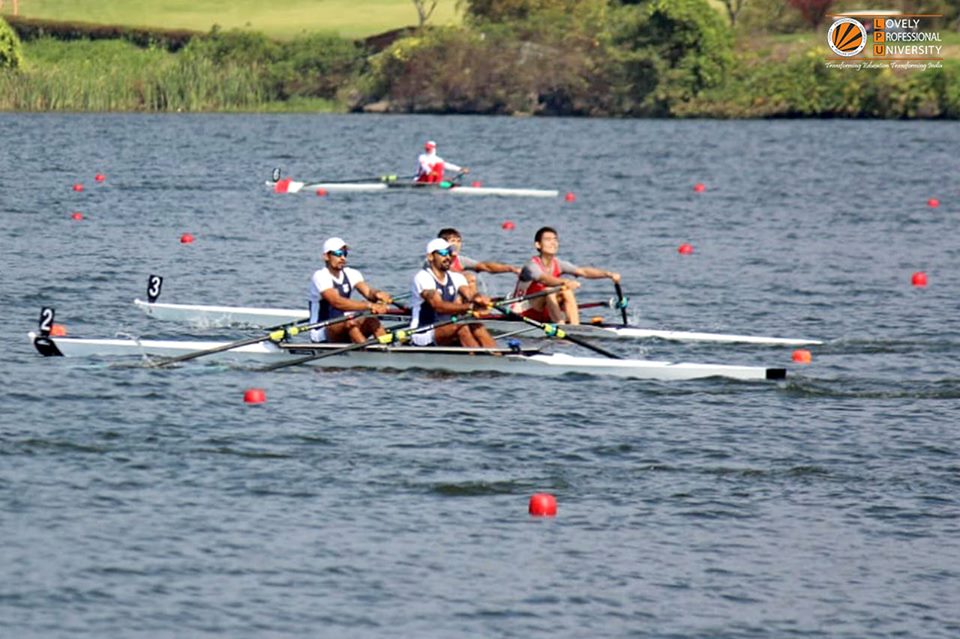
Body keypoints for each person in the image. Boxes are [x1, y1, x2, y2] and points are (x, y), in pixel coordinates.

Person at [511, 226, 620, 325]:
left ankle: (575, 327)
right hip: (523, 312)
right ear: (538, 245)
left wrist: (608, 274)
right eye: (548, 240)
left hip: (545, 310)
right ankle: (561, 325)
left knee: (566, 291)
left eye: (555, 240)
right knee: (550, 290)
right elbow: (543, 279)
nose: (553, 243)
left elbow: (583, 271)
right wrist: (565, 282)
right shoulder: (531, 266)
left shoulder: (559, 263)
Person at [409, 238, 497, 348]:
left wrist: (478, 298)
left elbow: (469, 294)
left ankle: (497, 357)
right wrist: (470, 307)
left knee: (476, 324)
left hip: (447, 329)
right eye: (442, 253)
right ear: (430, 257)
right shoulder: (423, 278)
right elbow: (438, 306)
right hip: (424, 333)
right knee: (461, 327)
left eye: (449, 253)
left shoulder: (456, 277)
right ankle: (477, 360)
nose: (447, 257)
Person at [308, 237, 393, 344]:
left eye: (345, 253)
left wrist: (378, 295)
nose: (343, 257)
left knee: (371, 319)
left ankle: (387, 350)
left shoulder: (351, 273)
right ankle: (364, 353)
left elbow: (368, 292)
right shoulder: (320, 276)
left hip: (343, 326)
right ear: (326, 256)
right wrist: (370, 306)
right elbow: (337, 302)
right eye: (338, 253)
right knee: (350, 322)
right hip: (321, 331)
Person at [433, 227, 520, 291]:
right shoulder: (434, 259)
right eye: (452, 241)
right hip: (439, 299)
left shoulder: (460, 260)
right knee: (470, 278)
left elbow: (486, 266)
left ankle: (474, 307)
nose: (456, 245)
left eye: (458, 241)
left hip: (456, 299)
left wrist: (512, 269)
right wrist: (466, 277)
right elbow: (449, 272)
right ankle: (473, 306)